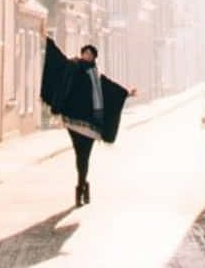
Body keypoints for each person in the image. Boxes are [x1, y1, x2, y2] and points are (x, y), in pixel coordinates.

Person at [39, 38, 134, 206]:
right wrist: (49, 42)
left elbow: (111, 89)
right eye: (85, 53)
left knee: (85, 157)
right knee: (79, 155)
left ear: (94, 58)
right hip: (74, 122)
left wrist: (126, 93)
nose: (87, 56)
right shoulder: (73, 67)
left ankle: (82, 185)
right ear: (82, 54)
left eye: (90, 54)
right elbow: (60, 61)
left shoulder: (97, 76)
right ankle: (81, 186)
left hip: (91, 125)